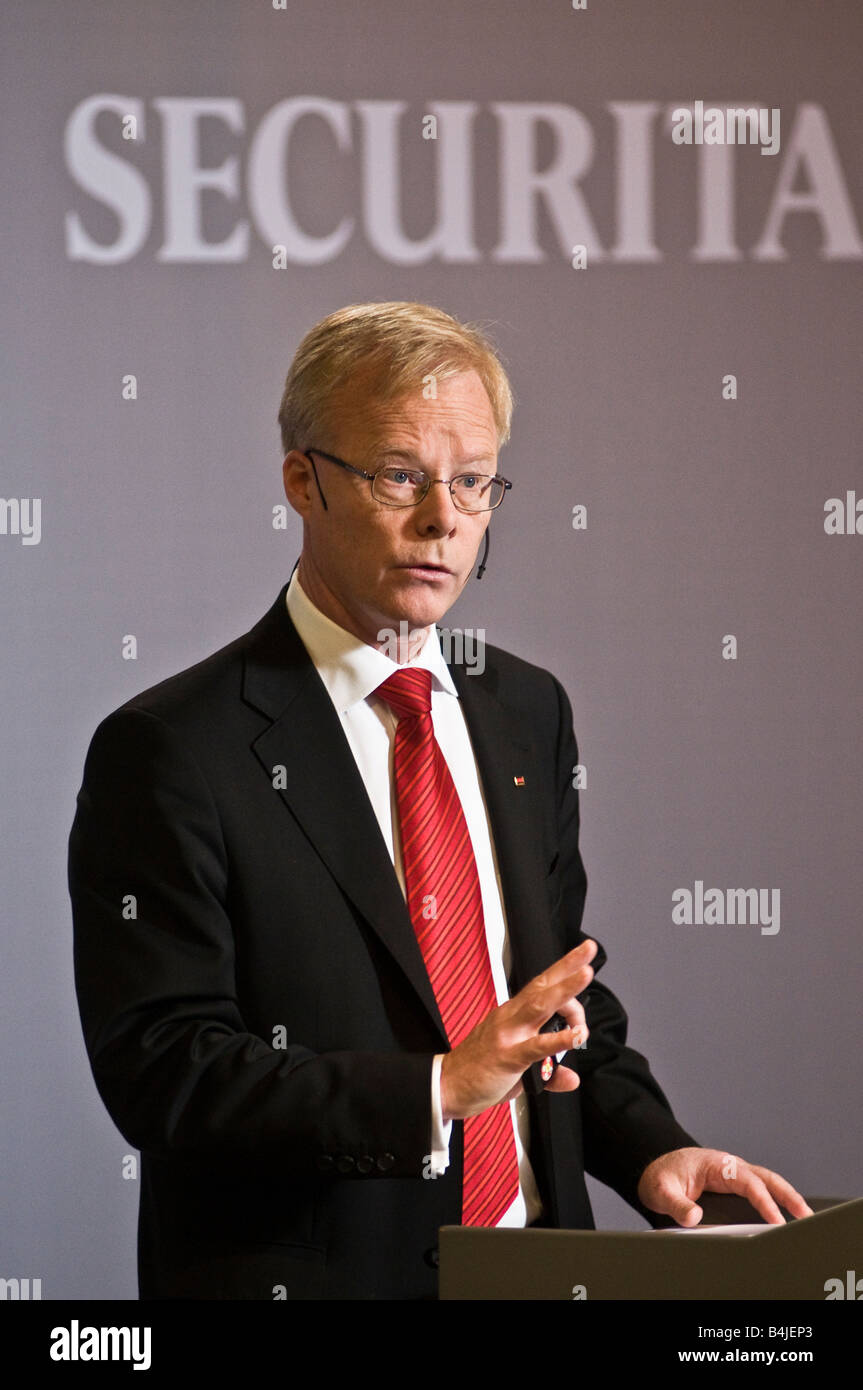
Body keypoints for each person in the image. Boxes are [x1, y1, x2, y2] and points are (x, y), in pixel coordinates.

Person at [68, 301, 811, 1301]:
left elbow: (551, 1006)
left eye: (471, 482)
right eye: (398, 476)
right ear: (302, 480)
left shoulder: (524, 711)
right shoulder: (170, 749)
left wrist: (650, 1151)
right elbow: (164, 1070)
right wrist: (434, 1090)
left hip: (541, 1278)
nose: (441, 519)